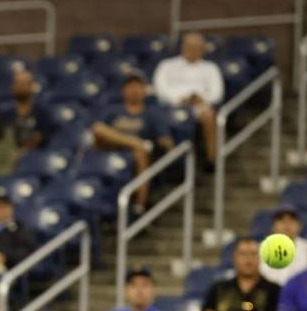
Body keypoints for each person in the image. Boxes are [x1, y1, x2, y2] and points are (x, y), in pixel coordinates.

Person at [92, 70, 174, 215]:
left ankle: (139, 206)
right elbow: (98, 130)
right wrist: (132, 141)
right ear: (123, 90)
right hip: (111, 149)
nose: (133, 90)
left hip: (138, 156)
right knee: (99, 130)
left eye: (137, 86)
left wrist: (161, 144)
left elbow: (166, 141)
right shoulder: (113, 111)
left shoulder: (152, 114)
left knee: (140, 151)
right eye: (130, 86)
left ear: (144, 90)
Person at [152, 32, 223, 168]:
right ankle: (167, 160)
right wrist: (179, 99)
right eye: (190, 46)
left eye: (197, 47)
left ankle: (211, 159)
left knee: (209, 115)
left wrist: (199, 99)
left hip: (198, 106)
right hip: (170, 106)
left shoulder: (211, 68)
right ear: (182, 47)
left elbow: (217, 93)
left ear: (203, 49)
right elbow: (159, 88)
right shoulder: (167, 65)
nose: (193, 50)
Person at [201, 237, 280, 311]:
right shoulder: (219, 288)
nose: (248, 259)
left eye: (253, 254)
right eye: (243, 254)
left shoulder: (274, 289)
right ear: (234, 258)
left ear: (260, 258)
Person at [100, 267, 176, 311]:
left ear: (153, 290)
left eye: (145, 285)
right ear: (126, 291)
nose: (139, 290)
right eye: (133, 285)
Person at [260, 206, 307, 286]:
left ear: (299, 226)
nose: (287, 224)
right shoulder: (260, 249)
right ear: (273, 226)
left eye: (292, 220)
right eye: (281, 220)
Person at [8, 68, 48, 152]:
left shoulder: (42, 113)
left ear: (32, 86)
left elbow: (39, 138)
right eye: (17, 83)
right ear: (12, 87)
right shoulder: (6, 113)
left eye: (24, 83)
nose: (21, 86)